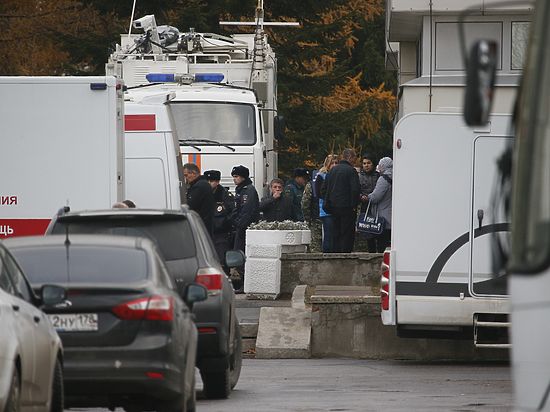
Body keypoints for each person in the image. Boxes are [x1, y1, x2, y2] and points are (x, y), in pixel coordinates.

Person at [322, 148, 360, 253]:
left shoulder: (332, 171)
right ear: (350, 157)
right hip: (347, 207)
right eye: (354, 158)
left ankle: (335, 254)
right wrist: (354, 205)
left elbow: (323, 189)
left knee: (335, 233)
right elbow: (355, 190)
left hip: (333, 207)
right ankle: (345, 255)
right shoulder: (351, 171)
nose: (355, 160)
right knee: (347, 234)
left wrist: (329, 200)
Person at [230, 165, 260, 293]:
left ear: (243, 177)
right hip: (241, 227)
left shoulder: (248, 191)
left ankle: (244, 284)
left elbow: (247, 211)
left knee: (243, 256)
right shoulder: (241, 189)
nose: (234, 179)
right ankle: (241, 284)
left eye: (236, 176)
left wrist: (239, 224)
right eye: (233, 176)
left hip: (244, 229)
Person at [204, 170, 234, 274]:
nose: (209, 183)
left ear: (217, 182)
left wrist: (224, 223)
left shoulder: (224, 195)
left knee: (222, 259)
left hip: (221, 232)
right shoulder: (203, 193)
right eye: (207, 181)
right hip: (206, 230)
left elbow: (231, 212)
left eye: (211, 181)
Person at [363, 157, 393, 252]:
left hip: (383, 216)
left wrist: (368, 197)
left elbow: (376, 197)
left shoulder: (383, 179)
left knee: (382, 244)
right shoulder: (394, 176)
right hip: (391, 213)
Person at [314, 154, 338, 253]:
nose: (334, 165)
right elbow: (318, 193)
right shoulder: (321, 176)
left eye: (336, 163)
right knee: (328, 234)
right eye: (332, 163)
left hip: (337, 209)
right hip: (325, 209)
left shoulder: (338, 175)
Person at [183, 163, 215, 235]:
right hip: (205, 225)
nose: (185, 178)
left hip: (200, 225)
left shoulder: (199, 187)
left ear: (193, 173)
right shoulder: (203, 184)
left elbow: (190, 206)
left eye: (186, 175)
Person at [358, 154, 380, 253]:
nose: (366, 165)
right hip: (365, 205)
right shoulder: (359, 176)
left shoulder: (378, 176)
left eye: (368, 163)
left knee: (378, 229)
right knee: (367, 231)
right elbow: (356, 190)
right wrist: (361, 196)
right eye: (364, 163)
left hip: (377, 206)